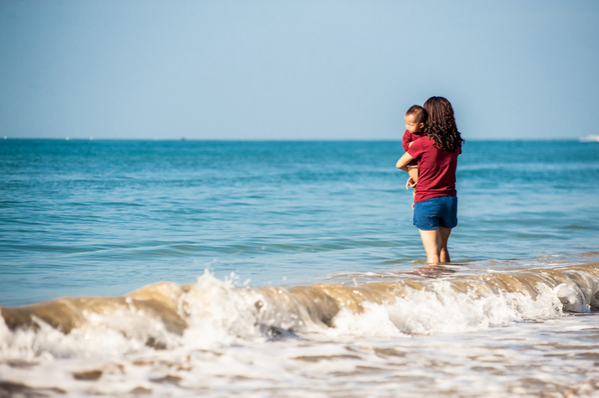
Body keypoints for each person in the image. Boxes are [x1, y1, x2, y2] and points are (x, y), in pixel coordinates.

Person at [396, 96, 464, 265]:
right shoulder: (454, 143)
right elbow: (435, 166)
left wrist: (413, 174)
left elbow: (399, 164)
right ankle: (448, 284)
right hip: (449, 200)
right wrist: (417, 175)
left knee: (432, 255)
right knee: (443, 249)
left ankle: (434, 290)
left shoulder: (422, 142)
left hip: (427, 200)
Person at [402, 105, 428, 205]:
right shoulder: (408, 133)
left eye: (410, 125)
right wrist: (416, 144)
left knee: (423, 182)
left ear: (421, 125)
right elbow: (405, 146)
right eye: (406, 124)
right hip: (413, 163)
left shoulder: (426, 133)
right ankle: (416, 202)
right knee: (418, 185)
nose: (407, 127)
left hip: (424, 162)